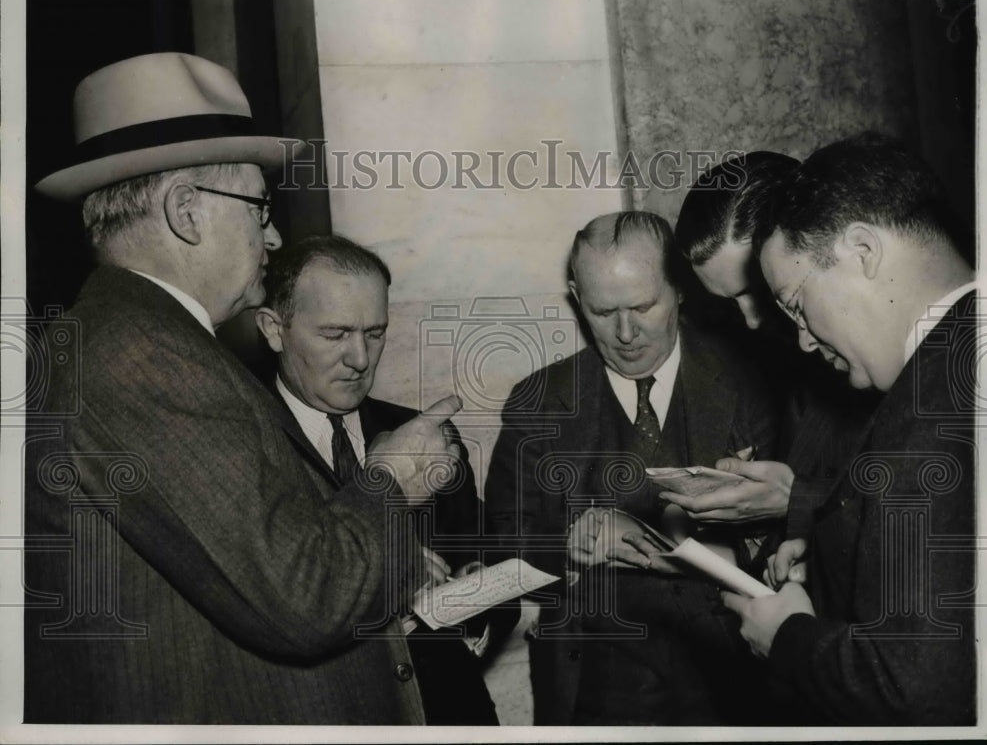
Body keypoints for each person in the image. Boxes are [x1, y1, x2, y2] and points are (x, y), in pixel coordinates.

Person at [24, 52, 460, 724]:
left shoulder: (141, 339)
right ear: (187, 211)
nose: (274, 232)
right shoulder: (142, 356)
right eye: (259, 207)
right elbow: (306, 595)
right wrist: (392, 479)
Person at [617, 132, 976, 724]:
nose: (778, 329)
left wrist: (790, 635)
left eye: (784, 299)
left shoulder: (919, 401)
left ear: (858, 248)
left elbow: (921, 683)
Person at [484, 210, 778, 725]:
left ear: (681, 289)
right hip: (593, 692)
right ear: (577, 296)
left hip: (734, 681)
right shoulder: (538, 401)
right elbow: (504, 540)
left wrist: (648, 549)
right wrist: (569, 546)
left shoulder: (756, 379)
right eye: (602, 311)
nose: (625, 333)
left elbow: (791, 540)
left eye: (644, 306)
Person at [254, 234, 505, 725]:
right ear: (273, 329)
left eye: (375, 332)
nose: (361, 358)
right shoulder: (243, 449)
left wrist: (468, 599)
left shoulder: (428, 435)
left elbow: (489, 559)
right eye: (335, 334)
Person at [671, 152, 879, 539]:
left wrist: (795, 499)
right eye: (729, 303)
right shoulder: (791, 365)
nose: (750, 321)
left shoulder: (878, 351)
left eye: (762, 292)